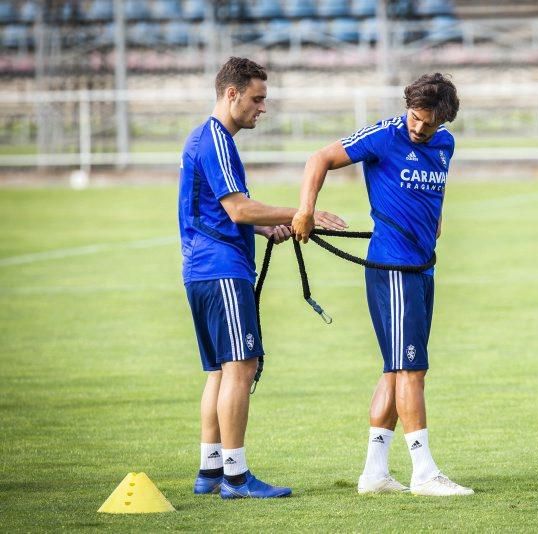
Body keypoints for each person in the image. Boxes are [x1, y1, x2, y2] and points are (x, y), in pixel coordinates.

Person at [291, 73, 473, 497]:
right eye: (415, 118)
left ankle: (374, 473)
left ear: (444, 122)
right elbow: (319, 158)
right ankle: (424, 473)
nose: (418, 128)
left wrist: (434, 221)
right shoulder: (383, 135)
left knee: (396, 369)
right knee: (411, 369)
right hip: (392, 267)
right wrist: (305, 209)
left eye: (429, 124)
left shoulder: (445, 145)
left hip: (422, 267)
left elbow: (435, 194)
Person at [178, 57, 346, 499]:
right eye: (257, 98)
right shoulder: (215, 140)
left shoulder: (204, 138)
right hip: (222, 271)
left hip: (201, 270)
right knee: (240, 367)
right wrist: (301, 212)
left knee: (218, 371)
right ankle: (236, 477)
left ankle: (210, 470)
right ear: (231, 94)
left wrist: (264, 227)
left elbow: (217, 211)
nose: (262, 108)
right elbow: (236, 207)